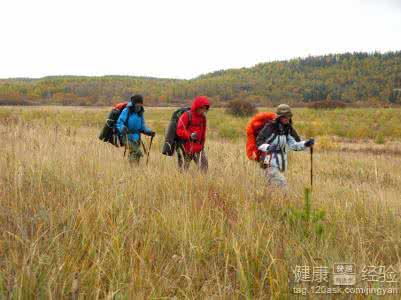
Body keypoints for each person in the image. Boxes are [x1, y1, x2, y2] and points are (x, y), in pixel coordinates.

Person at [256, 104, 314, 192]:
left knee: (270, 188)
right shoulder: (270, 127)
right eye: (284, 116)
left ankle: (269, 203)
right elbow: (259, 142)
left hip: (280, 162)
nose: (287, 118)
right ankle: (286, 202)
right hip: (267, 160)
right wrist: (268, 147)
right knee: (282, 184)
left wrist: (306, 144)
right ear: (279, 117)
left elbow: (294, 145)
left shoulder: (288, 128)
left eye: (289, 116)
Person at [116, 94, 155, 164]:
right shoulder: (126, 110)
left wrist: (149, 132)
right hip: (126, 137)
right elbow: (119, 123)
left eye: (141, 104)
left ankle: (134, 170)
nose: (139, 106)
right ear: (134, 103)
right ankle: (133, 168)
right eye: (138, 104)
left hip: (136, 137)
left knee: (136, 154)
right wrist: (123, 128)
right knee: (136, 151)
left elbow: (142, 126)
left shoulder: (140, 112)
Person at [176, 96, 210, 172]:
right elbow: (179, 130)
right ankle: (181, 183)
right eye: (202, 108)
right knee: (183, 171)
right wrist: (190, 135)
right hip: (186, 148)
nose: (203, 111)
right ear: (197, 106)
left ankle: (202, 183)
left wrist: (202, 145)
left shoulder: (203, 118)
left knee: (204, 168)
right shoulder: (186, 115)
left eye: (205, 109)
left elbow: (203, 133)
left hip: (198, 147)